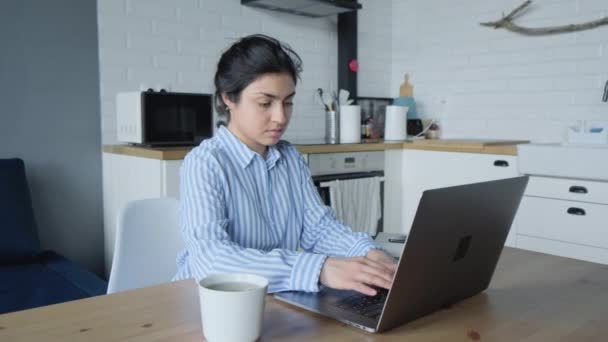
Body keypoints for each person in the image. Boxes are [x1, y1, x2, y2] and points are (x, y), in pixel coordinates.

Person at [174, 34, 396, 296]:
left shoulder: (289, 158)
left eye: (288, 102)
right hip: (208, 304)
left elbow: (319, 228)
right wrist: (319, 268)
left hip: (272, 298)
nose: (280, 117)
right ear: (228, 99)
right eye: (265, 103)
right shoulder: (205, 164)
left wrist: (368, 254)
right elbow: (212, 261)